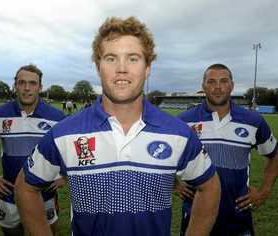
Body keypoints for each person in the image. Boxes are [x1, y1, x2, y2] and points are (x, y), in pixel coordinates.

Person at [15, 17, 220, 236]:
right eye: (111, 58)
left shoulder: (178, 133)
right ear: (98, 66)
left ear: (148, 67)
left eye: (133, 58)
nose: (121, 68)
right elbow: (25, 187)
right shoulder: (64, 133)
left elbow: (210, 187)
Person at [175, 63, 278, 236]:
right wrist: (174, 185)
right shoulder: (184, 121)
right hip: (195, 217)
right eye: (211, 82)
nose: (218, 87)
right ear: (203, 86)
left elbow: (275, 155)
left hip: (238, 217)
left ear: (232, 85)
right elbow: (163, 158)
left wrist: (264, 191)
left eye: (223, 81)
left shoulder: (253, 120)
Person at [0, 64, 66, 236]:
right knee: (11, 232)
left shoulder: (57, 118)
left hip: (44, 193)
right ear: (15, 85)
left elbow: (72, 150)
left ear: (40, 87)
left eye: (32, 83)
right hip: (9, 193)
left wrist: (64, 176)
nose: (27, 88)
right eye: (22, 83)